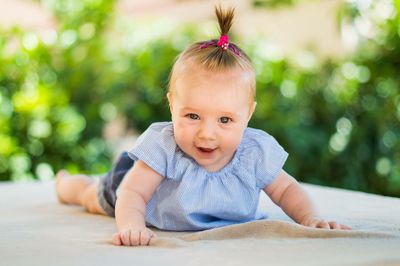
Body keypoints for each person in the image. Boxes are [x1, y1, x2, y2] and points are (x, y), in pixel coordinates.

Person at [55, 6, 351, 247]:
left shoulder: (254, 153)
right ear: (172, 105)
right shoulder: (164, 147)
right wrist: (132, 226)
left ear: (248, 115)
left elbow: (286, 190)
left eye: (225, 120)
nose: (207, 133)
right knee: (91, 196)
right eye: (193, 116)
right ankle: (66, 183)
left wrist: (311, 218)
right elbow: (133, 195)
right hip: (127, 187)